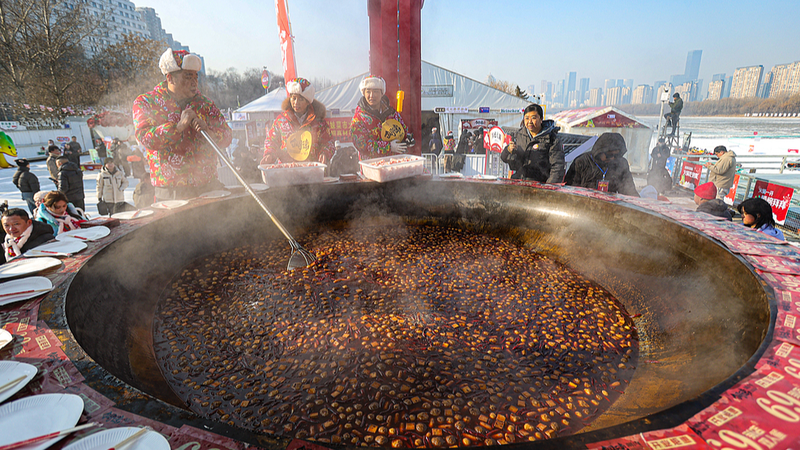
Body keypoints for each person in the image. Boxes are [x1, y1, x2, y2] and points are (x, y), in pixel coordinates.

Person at [133, 47, 232, 201]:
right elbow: (145, 138)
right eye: (187, 77)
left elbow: (227, 136)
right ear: (170, 78)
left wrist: (208, 130)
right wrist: (178, 127)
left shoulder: (205, 105)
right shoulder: (147, 103)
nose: (194, 82)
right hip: (171, 191)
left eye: (195, 77)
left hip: (208, 185)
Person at [262, 78, 334, 165]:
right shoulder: (281, 121)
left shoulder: (318, 123)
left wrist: (324, 153)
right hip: (286, 170)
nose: (296, 103)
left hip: (312, 170)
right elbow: (271, 140)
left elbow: (328, 142)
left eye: (301, 99)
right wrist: (269, 154)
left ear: (308, 102)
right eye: (294, 98)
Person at [500, 104, 565, 183]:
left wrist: (549, 188)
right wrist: (508, 150)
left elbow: (557, 167)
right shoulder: (519, 135)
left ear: (541, 119)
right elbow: (504, 158)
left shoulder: (552, 139)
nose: (530, 121)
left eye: (533, 118)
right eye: (527, 118)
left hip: (540, 185)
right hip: (519, 183)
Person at [350, 75, 409, 160]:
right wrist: (388, 147)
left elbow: (403, 130)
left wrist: (407, 138)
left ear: (382, 93)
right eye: (368, 91)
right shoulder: (359, 118)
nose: (371, 95)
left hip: (393, 164)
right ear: (363, 93)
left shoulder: (392, 113)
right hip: (372, 167)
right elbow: (361, 144)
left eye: (376, 91)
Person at [564, 132, 639, 196]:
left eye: (616, 155)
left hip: (610, 206)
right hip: (584, 204)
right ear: (599, 151)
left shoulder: (621, 164)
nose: (612, 158)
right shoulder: (581, 162)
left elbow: (629, 191)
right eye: (609, 155)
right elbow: (570, 191)